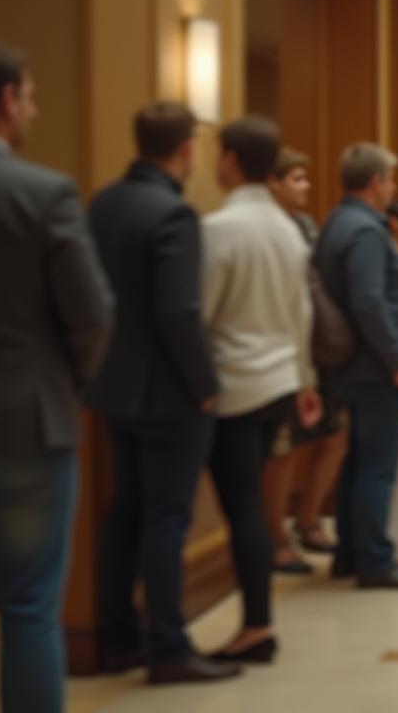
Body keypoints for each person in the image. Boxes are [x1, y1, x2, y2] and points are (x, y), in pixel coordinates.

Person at [0, 39, 114, 712]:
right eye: (29, 95)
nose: (34, 108)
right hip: (29, 424)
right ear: (6, 100)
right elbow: (92, 315)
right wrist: (68, 383)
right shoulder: (42, 192)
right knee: (28, 612)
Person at [87, 101, 239, 684]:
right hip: (170, 392)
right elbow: (179, 313)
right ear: (186, 149)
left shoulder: (102, 204)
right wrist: (205, 384)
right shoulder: (174, 214)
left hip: (113, 386)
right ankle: (169, 646)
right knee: (166, 517)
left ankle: (117, 636)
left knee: (125, 512)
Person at [200, 116, 322, 662]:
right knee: (253, 498)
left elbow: (199, 315)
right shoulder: (287, 229)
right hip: (280, 381)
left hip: (234, 383)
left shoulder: (219, 229)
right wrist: (306, 379)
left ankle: (255, 624)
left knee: (243, 505)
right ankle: (258, 618)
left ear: (228, 160)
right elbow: (301, 313)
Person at [314, 142, 398, 589]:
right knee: (377, 466)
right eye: (390, 180)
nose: (393, 188)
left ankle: (350, 552)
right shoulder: (364, 230)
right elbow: (368, 300)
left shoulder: (337, 221)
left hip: (355, 364)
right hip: (376, 367)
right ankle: (374, 561)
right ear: (376, 181)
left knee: (358, 461)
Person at [260, 147, 349, 575]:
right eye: (296, 178)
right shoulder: (262, 229)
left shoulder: (307, 227)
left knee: (334, 436)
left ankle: (309, 520)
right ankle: (275, 536)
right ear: (272, 182)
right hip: (278, 352)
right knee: (285, 447)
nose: (306, 186)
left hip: (317, 349)